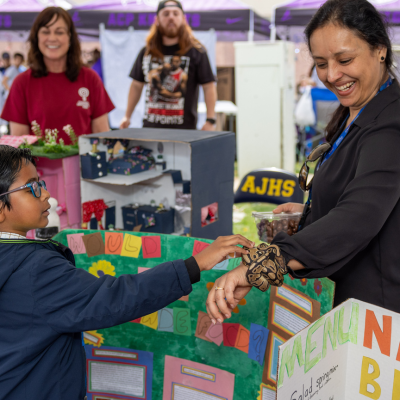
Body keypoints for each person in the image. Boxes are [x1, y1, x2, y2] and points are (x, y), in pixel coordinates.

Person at [0, 145, 253, 399]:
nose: (45, 194)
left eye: (41, 182)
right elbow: (116, 297)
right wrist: (195, 264)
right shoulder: (36, 269)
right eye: (32, 187)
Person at [206, 0, 400, 324]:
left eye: (345, 59)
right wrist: (310, 211)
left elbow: (359, 215)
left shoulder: (391, 124)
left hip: (377, 314)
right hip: (345, 303)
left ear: (380, 49)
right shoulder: (354, 113)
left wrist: (266, 262)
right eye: (321, 63)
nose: (333, 75)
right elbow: (361, 190)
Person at [1, 7, 114, 145]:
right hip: (36, 166)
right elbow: (19, 144)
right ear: (36, 37)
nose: (52, 38)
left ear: (70, 37)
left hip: (83, 165)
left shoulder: (90, 79)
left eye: (59, 32)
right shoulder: (22, 83)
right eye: (46, 31)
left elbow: (101, 136)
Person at [120, 0, 217, 131]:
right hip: (151, 129)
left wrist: (210, 120)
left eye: (175, 13)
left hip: (184, 131)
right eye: (166, 14)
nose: (171, 17)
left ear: (183, 19)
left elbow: (208, 86)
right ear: (157, 20)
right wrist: (127, 116)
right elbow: (136, 85)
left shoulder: (197, 52)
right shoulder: (147, 52)